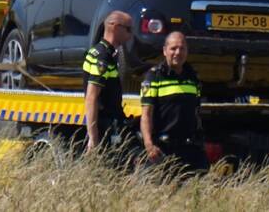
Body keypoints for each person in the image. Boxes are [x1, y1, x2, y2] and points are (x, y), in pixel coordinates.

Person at [140, 31, 209, 173]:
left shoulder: (192, 77)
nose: (178, 52)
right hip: (162, 148)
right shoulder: (154, 76)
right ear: (164, 51)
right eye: (173, 48)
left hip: (190, 148)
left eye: (182, 48)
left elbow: (196, 112)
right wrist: (149, 144)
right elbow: (146, 114)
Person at [83, 10, 133, 153]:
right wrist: (93, 137)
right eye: (128, 29)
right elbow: (91, 97)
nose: (131, 35)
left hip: (109, 123)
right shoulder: (103, 57)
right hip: (104, 127)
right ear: (115, 27)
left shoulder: (102, 52)